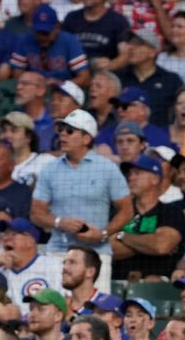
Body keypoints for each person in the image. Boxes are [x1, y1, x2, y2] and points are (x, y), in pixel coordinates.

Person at [31, 110, 132, 265]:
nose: (63, 134)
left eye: (69, 131)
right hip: (58, 252)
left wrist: (102, 234)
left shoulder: (107, 168)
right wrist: (59, 222)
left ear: (86, 138)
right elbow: (36, 213)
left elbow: (126, 210)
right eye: (61, 130)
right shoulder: (49, 169)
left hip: (96, 253)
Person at [0, 217, 63, 314]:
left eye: (13, 234)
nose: (6, 238)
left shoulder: (53, 266)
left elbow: (65, 301)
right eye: (5, 234)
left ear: (30, 241)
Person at [116, 27, 184, 127]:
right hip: (124, 136)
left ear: (152, 52)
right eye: (130, 43)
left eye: (138, 44)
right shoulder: (119, 77)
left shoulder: (171, 80)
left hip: (159, 138)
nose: (131, 47)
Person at [9, 5, 89, 86]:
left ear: (57, 27)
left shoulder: (70, 41)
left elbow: (85, 78)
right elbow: (17, 74)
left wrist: (60, 84)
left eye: (46, 33)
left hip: (63, 90)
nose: (42, 37)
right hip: (33, 89)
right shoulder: (24, 40)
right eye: (38, 32)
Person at [61, 0, 129, 73]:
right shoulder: (71, 18)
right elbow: (61, 48)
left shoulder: (118, 21)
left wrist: (111, 64)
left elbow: (125, 54)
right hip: (74, 73)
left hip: (103, 74)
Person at [0, 111, 55, 188]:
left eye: (14, 130)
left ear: (28, 137)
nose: (7, 135)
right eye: (4, 131)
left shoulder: (45, 162)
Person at [15, 71, 55, 152]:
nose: (18, 87)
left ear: (40, 90)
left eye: (25, 84)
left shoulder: (54, 120)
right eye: (18, 83)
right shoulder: (13, 119)